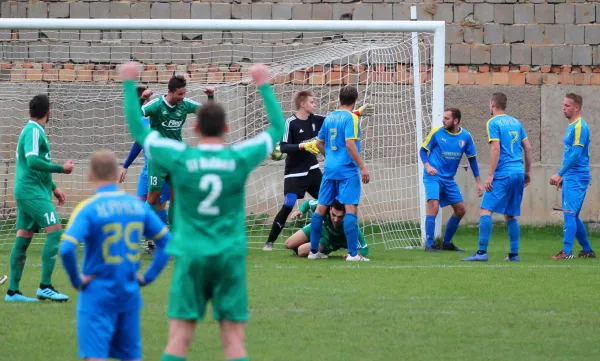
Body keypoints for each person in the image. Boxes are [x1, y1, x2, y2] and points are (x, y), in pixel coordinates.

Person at [120, 61, 285, 361]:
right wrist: (263, 83)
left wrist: (129, 85)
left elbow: (136, 128)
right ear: (225, 128)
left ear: (194, 127)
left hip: (190, 257)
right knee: (234, 343)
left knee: (179, 339)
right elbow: (277, 128)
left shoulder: (181, 158)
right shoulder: (239, 157)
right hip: (229, 257)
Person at [59, 150, 171, 361]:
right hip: (128, 294)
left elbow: (66, 248)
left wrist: (77, 281)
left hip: (96, 295)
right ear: (116, 174)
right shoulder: (137, 207)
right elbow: (166, 243)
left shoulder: (88, 208)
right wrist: (147, 277)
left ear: (90, 175)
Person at [263, 91, 373, 251]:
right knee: (289, 205)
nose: (315, 104)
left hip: (313, 170)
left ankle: (333, 238)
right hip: (295, 173)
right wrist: (303, 146)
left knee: (331, 204)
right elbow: (284, 147)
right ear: (303, 104)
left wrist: (358, 112)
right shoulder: (291, 123)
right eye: (312, 102)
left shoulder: (317, 120)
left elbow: (336, 120)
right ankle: (270, 242)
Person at [6, 94, 74, 303]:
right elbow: (33, 161)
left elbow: (33, 166)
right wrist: (61, 169)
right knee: (54, 231)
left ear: (29, 111)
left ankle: (13, 292)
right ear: (49, 113)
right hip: (32, 192)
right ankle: (45, 286)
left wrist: (53, 188)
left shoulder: (34, 131)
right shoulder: (34, 131)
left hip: (33, 190)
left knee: (24, 237)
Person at [462, 92, 533, 262]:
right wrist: (527, 172)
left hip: (504, 172)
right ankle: (514, 254)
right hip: (518, 171)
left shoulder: (492, 122)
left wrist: (490, 175)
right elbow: (528, 148)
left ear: (493, 103)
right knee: (510, 214)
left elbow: (496, 149)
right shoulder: (516, 122)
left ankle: (481, 253)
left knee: (485, 210)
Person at [141, 75, 214, 229]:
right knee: (153, 198)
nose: (182, 97)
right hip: (158, 159)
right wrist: (142, 99)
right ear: (170, 92)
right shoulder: (157, 105)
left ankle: (174, 236)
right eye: (179, 94)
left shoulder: (184, 105)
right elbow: (137, 115)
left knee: (177, 197)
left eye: (184, 93)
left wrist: (210, 97)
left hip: (176, 159)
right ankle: (137, 230)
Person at [308, 85, 370, 262]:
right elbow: (350, 145)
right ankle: (352, 254)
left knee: (321, 208)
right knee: (350, 208)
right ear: (355, 100)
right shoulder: (351, 118)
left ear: (340, 99)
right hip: (347, 170)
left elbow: (319, 143)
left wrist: (331, 157)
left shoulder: (330, 117)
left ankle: (314, 252)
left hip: (329, 169)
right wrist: (362, 167)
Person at [420, 108, 483, 252]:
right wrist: (428, 166)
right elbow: (423, 150)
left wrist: (479, 182)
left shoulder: (466, 136)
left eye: (447, 118)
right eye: (443, 117)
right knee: (433, 205)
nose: (443, 120)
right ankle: (429, 244)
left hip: (448, 179)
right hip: (433, 176)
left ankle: (446, 243)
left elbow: (472, 159)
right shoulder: (437, 132)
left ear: (456, 121)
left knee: (460, 210)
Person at [119, 86, 170, 253]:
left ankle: (161, 243)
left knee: (160, 205)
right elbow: (138, 143)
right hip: (147, 169)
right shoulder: (141, 119)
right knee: (141, 205)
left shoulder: (157, 114)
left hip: (161, 169)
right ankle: (149, 242)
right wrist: (125, 166)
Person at [549, 93, 595, 260]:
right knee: (573, 215)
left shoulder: (579, 127)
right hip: (571, 175)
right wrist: (564, 175)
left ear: (577, 107)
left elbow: (576, 154)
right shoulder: (572, 126)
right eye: (563, 105)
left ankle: (567, 252)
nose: (563, 108)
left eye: (567, 105)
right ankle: (588, 250)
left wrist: (560, 173)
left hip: (577, 176)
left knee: (569, 213)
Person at [284, 199, 369, 258]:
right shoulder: (324, 206)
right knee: (288, 244)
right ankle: (308, 242)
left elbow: (364, 248)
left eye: (340, 217)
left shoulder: (351, 224)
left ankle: (319, 251)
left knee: (301, 251)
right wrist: (301, 210)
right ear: (330, 208)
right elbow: (308, 203)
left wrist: (356, 254)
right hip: (319, 227)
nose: (336, 220)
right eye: (333, 215)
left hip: (328, 241)